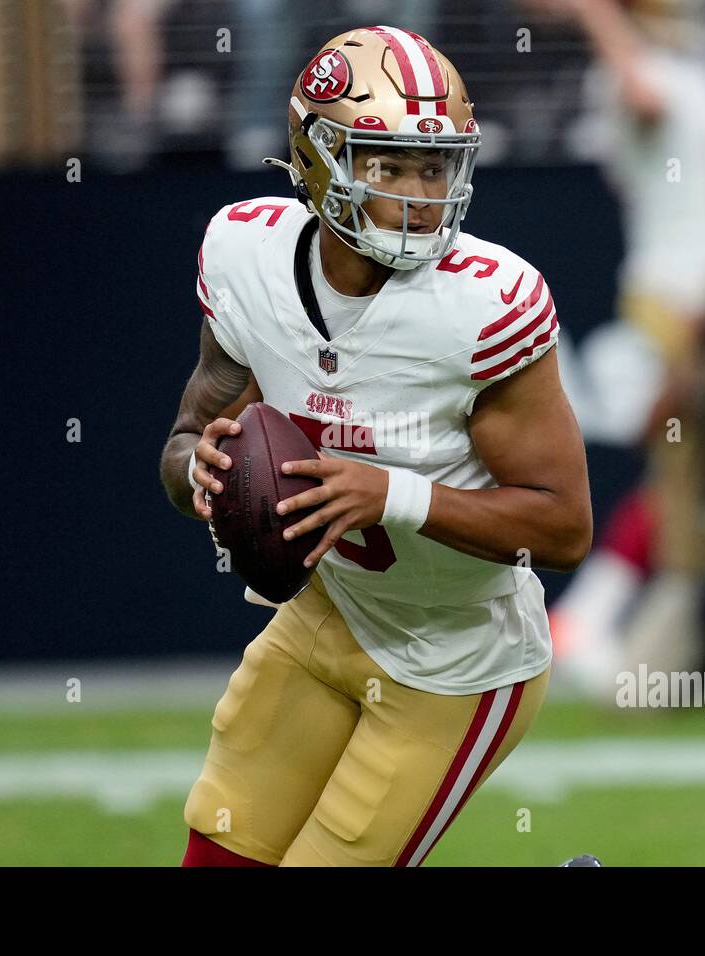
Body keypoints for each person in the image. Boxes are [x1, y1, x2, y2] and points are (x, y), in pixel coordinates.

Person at [161, 25, 592, 866]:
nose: (419, 192)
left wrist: (390, 492)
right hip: (324, 615)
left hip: (455, 660)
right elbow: (185, 444)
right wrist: (198, 470)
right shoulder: (246, 255)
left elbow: (565, 528)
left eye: (434, 166)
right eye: (387, 163)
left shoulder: (482, 306)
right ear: (320, 160)